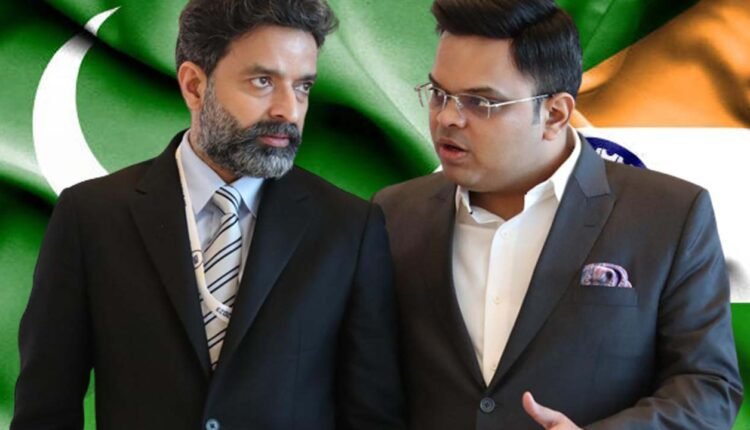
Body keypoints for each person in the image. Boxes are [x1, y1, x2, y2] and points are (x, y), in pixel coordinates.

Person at [12, 0, 405, 428]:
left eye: (303, 87)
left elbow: (373, 416)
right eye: (262, 81)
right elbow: (45, 408)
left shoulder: (350, 229)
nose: (288, 110)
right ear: (194, 86)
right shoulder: (90, 216)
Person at [374, 0, 743, 428]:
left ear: (554, 114)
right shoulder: (392, 214)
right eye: (439, 94)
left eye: (481, 103)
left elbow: (708, 388)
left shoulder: (669, 216)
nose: (447, 118)